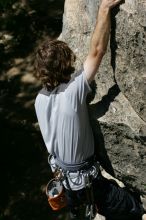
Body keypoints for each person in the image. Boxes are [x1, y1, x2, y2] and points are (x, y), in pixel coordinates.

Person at [34, 0, 145, 219]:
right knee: (133, 208)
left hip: (66, 181)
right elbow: (97, 51)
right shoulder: (73, 93)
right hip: (88, 183)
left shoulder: (39, 99)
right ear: (67, 64)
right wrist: (104, 8)